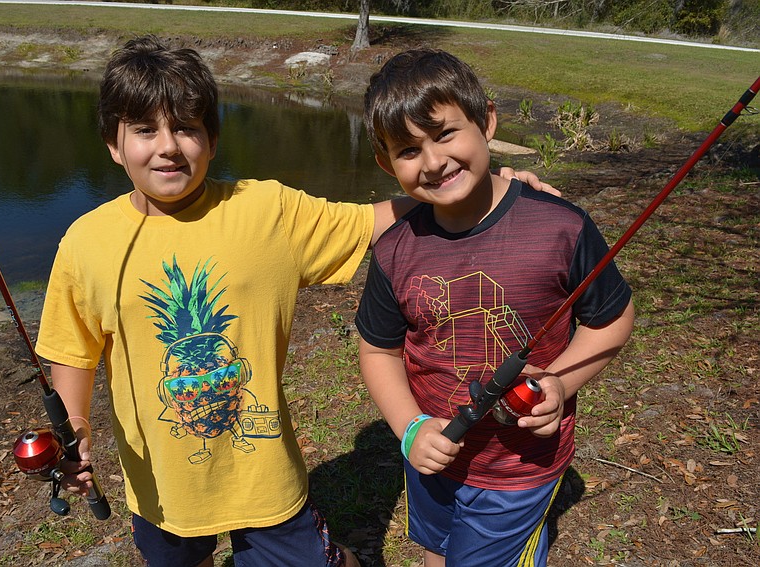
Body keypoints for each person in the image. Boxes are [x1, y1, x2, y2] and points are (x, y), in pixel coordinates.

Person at [35, 36, 552, 567]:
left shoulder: (266, 211)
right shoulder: (85, 241)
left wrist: (489, 191)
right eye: (144, 131)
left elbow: (375, 220)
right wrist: (74, 426)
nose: (168, 146)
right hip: (160, 487)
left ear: (212, 140)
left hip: (264, 478)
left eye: (186, 128)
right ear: (114, 145)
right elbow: (74, 348)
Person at [356, 48, 635, 567]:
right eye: (408, 151)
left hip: (519, 470)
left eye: (444, 134)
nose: (434, 162)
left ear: (486, 120)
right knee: (437, 551)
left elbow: (612, 320)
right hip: (434, 461)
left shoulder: (561, 227)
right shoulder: (394, 248)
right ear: (385, 162)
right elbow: (378, 350)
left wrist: (559, 383)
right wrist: (410, 428)